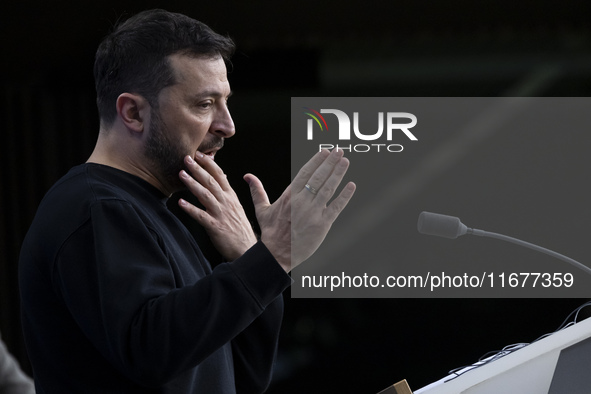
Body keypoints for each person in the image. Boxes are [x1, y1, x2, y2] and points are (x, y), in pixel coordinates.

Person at [18, 8, 355, 393]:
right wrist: (272, 256)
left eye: (225, 102)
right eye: (204, 104)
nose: (227, 125)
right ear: (133, 112)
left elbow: (243, 379)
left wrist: (253, 259)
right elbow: (152, 352)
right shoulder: (95, 207)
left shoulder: (148, 212)